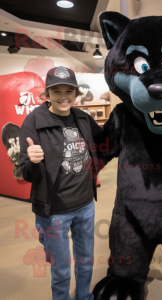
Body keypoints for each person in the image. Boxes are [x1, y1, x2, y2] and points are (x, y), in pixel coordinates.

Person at [19, 66, 102, 300]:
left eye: (69, 91)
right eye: (57, 92)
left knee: (86, 261)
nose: (63, 97)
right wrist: (33, 161)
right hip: (53, 210)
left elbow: (106, 141)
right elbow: (26, 173)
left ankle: (84, 296)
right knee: (61, 268)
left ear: (76, 94)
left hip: (86, 206)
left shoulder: (84, 118)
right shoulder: (34, 121)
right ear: (47, 94)